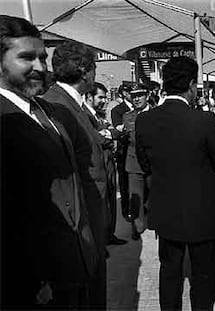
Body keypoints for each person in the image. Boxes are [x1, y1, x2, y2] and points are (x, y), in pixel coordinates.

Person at [0, 15, 98, 309]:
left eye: (43, 57)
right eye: (27, 58)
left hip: (72, 265)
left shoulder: (45, 110)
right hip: (32, 283)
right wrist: (29, 278)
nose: (41, 68)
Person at [135, 56, 215, 311]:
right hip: (201, 212)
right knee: (204, 274)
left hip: (165, 210)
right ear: (191, 84)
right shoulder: (203, 120)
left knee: (169, 271)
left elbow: (145, 165)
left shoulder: (144, 120)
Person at [42, 41, 108, 309]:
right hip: (83, 222)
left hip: (92, 217)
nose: (95, 75)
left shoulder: (71, 103)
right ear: (84, 70)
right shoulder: (59, 106)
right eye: (94, 68)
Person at [85, 82, 127, 245]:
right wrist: (111, 134)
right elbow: (100, 138)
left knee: (110, 200)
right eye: (100, 97)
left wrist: (109, 133)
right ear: (89, 97)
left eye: (105, 97)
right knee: (102, 204)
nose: (104, 101)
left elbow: (108, 133)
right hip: (99, 163)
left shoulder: (98, 115)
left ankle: (109, 235)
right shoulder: (85, 115)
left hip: (108, 162)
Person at [123, 83, 151, 239]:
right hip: (134, 162)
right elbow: (130, 138)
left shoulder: (156, 114)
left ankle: (158, 223)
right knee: (135, 198)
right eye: (134, 96)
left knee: (157, 195)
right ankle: (137, 227)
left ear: (147, 96)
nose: (137, 99)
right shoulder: (128, 116)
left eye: (140, 95)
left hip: (153, 162)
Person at [111, 83, 135, 221]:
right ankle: (127, 211)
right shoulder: (117, 110)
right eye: (132, 93)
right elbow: (119, 130)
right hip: (124, 151)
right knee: (125, 183)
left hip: (139, 152)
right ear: (125, 94)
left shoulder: (144, 107)